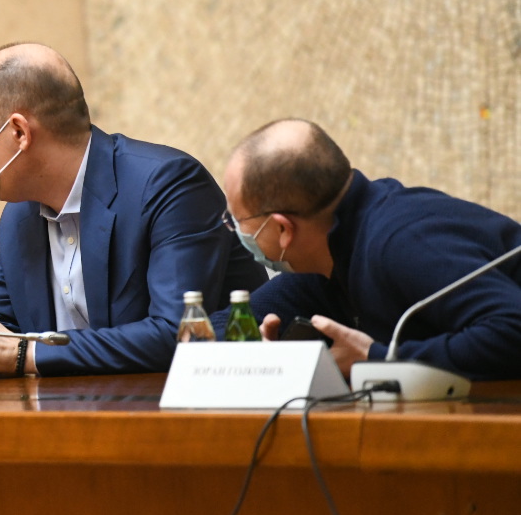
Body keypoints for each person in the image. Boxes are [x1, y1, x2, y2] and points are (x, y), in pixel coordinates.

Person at [0, 43, 266, 377]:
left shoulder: (167, 185)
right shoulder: (19, 218)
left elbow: (176, 333)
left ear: (18, 132)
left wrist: (24, 354)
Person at [218, 118, 521, 379]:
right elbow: (224, 328)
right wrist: (258, 359)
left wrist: (378, 359)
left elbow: (512, 329)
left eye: (237, 219)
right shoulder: (328, 256)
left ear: (283, 228)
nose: (233, 227)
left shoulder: (403, 241)